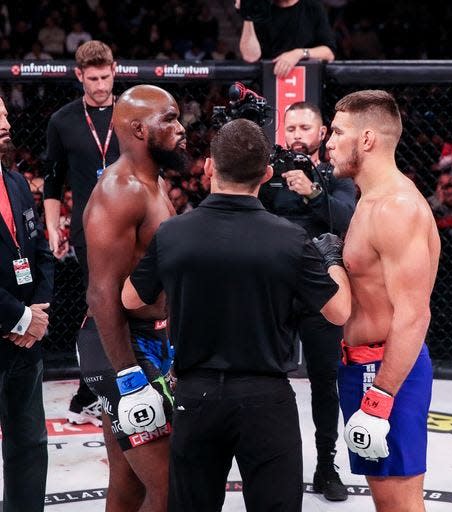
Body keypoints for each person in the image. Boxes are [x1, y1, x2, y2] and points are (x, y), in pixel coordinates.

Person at [121, 117, 352, 512]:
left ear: (209, 166)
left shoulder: (174, 233)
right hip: (265, 397)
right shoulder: (290, 239)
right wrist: (331, 259)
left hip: (196, 393)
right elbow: (339, 311)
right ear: (265, 174)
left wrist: (185, 290)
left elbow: (129, 299)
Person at [315, 89, 440, 511]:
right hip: (362, 365)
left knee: (398, 504)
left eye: (337, 132)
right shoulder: (367, 200)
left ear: (367, 140)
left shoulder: (395, 207)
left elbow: (413, 313)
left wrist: (380, 395)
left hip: (384, 370)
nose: (328, 142)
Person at [82, 84, 184, 512]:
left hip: (152, 340)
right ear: (139, 129)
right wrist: (128, 374)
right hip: (121, 345)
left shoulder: (154, 183)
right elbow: (101, 291)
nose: (181, 128)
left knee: (128, 484)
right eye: (170, 119)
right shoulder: (120, 190)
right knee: (169, 487)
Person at [259, 100, 355, 500]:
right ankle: (266, 463)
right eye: (291, 128)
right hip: (274, 287)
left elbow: (348, 218)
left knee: (324, 381)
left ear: (322, 134)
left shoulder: (336, 174)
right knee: (265, 378)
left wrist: (314, 192)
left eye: (305, 128)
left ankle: (326, 464)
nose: (297, 134)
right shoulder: (267, 171)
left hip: (321, 286)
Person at [43, 40, 120, 427]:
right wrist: (53, 225)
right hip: (89, 231)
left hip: (133, 227)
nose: (101, 85)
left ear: (114, 70)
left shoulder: (131, 113)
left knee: (140, 304)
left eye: (105, 76)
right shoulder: (63, 120)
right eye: (93, 78)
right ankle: (90, 391)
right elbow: (53, 180)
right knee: (100, 306)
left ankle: (124, 383)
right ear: (79, 76)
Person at [0, 97, 54, 511]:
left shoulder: (16, 181)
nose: (6, 122)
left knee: (30, 445)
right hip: (10, 326)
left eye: (4, 113)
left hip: (26, 340)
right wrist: (20, 317)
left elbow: (40, 251)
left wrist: (38, 312)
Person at [237, 0, 336, 78]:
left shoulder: (313, 7)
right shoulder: (263, 9)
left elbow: (328, 53)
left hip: (306, 83)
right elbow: (250, 56)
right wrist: (247, 13)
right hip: (270, 81)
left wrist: (298, 54)